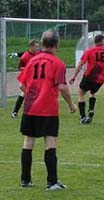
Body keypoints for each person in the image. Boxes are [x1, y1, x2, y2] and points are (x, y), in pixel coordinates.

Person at [17, 29, 76, 190]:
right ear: (57, 44)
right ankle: (52, 182)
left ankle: (25, 180)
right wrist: (71, 104)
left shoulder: (32, 61)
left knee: (28, 142)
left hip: (29, 108)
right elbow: (62, 87)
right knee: (50, 143)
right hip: (47, 109)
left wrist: (31, 94)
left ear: (42, 44)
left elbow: (22, 84)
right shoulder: (58, 63)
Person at [69, 34, 104, 124]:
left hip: (89, 76)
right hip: (101, 78)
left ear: (94, 42)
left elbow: (81, 64)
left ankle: (82, 116)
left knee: (81, 93)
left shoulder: (90, 51)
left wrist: (74, 76)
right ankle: (91, 110)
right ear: (102, 41)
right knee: (93, 92)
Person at [11, 39, 39, 118]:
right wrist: (28, 69)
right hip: (27, 78)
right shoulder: (25, 57)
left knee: (24, 94)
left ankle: (15, 112)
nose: (37, 48)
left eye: (38, 46)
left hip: (36, 77)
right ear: (31, 47)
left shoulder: (38, 53)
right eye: (36, 46)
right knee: (27, 93)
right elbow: (19, 67)